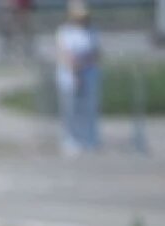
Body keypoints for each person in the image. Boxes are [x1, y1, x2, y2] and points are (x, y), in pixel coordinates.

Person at [55, 0, 101, 155]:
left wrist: (83, 64)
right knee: (70, 109)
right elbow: (64, 53)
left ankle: (89, 139)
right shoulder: (65, 32)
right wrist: (75, 68)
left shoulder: (92, 31)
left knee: (89, 108)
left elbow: (95, 53)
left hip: (89, 74)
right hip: (70, 76)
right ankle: (70, 140)